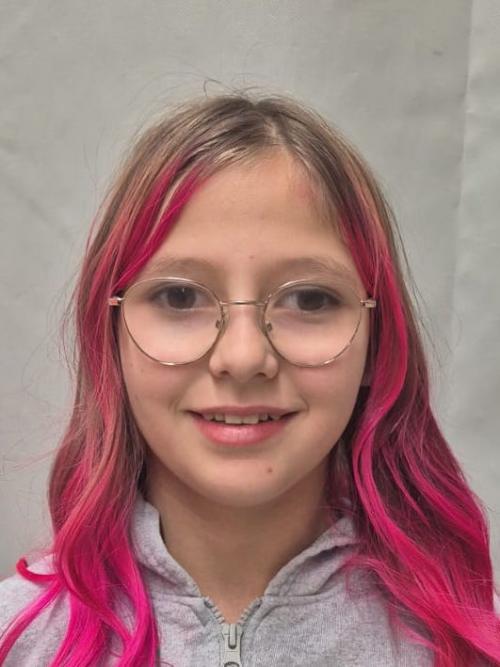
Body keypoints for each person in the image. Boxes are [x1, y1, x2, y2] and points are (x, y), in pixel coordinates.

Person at [0, 92, 498, 667]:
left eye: (310, 299)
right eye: (179, 296)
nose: (242, 358)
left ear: (376, 342)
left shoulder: (470, 649)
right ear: (110, 337)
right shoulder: (17, 642)